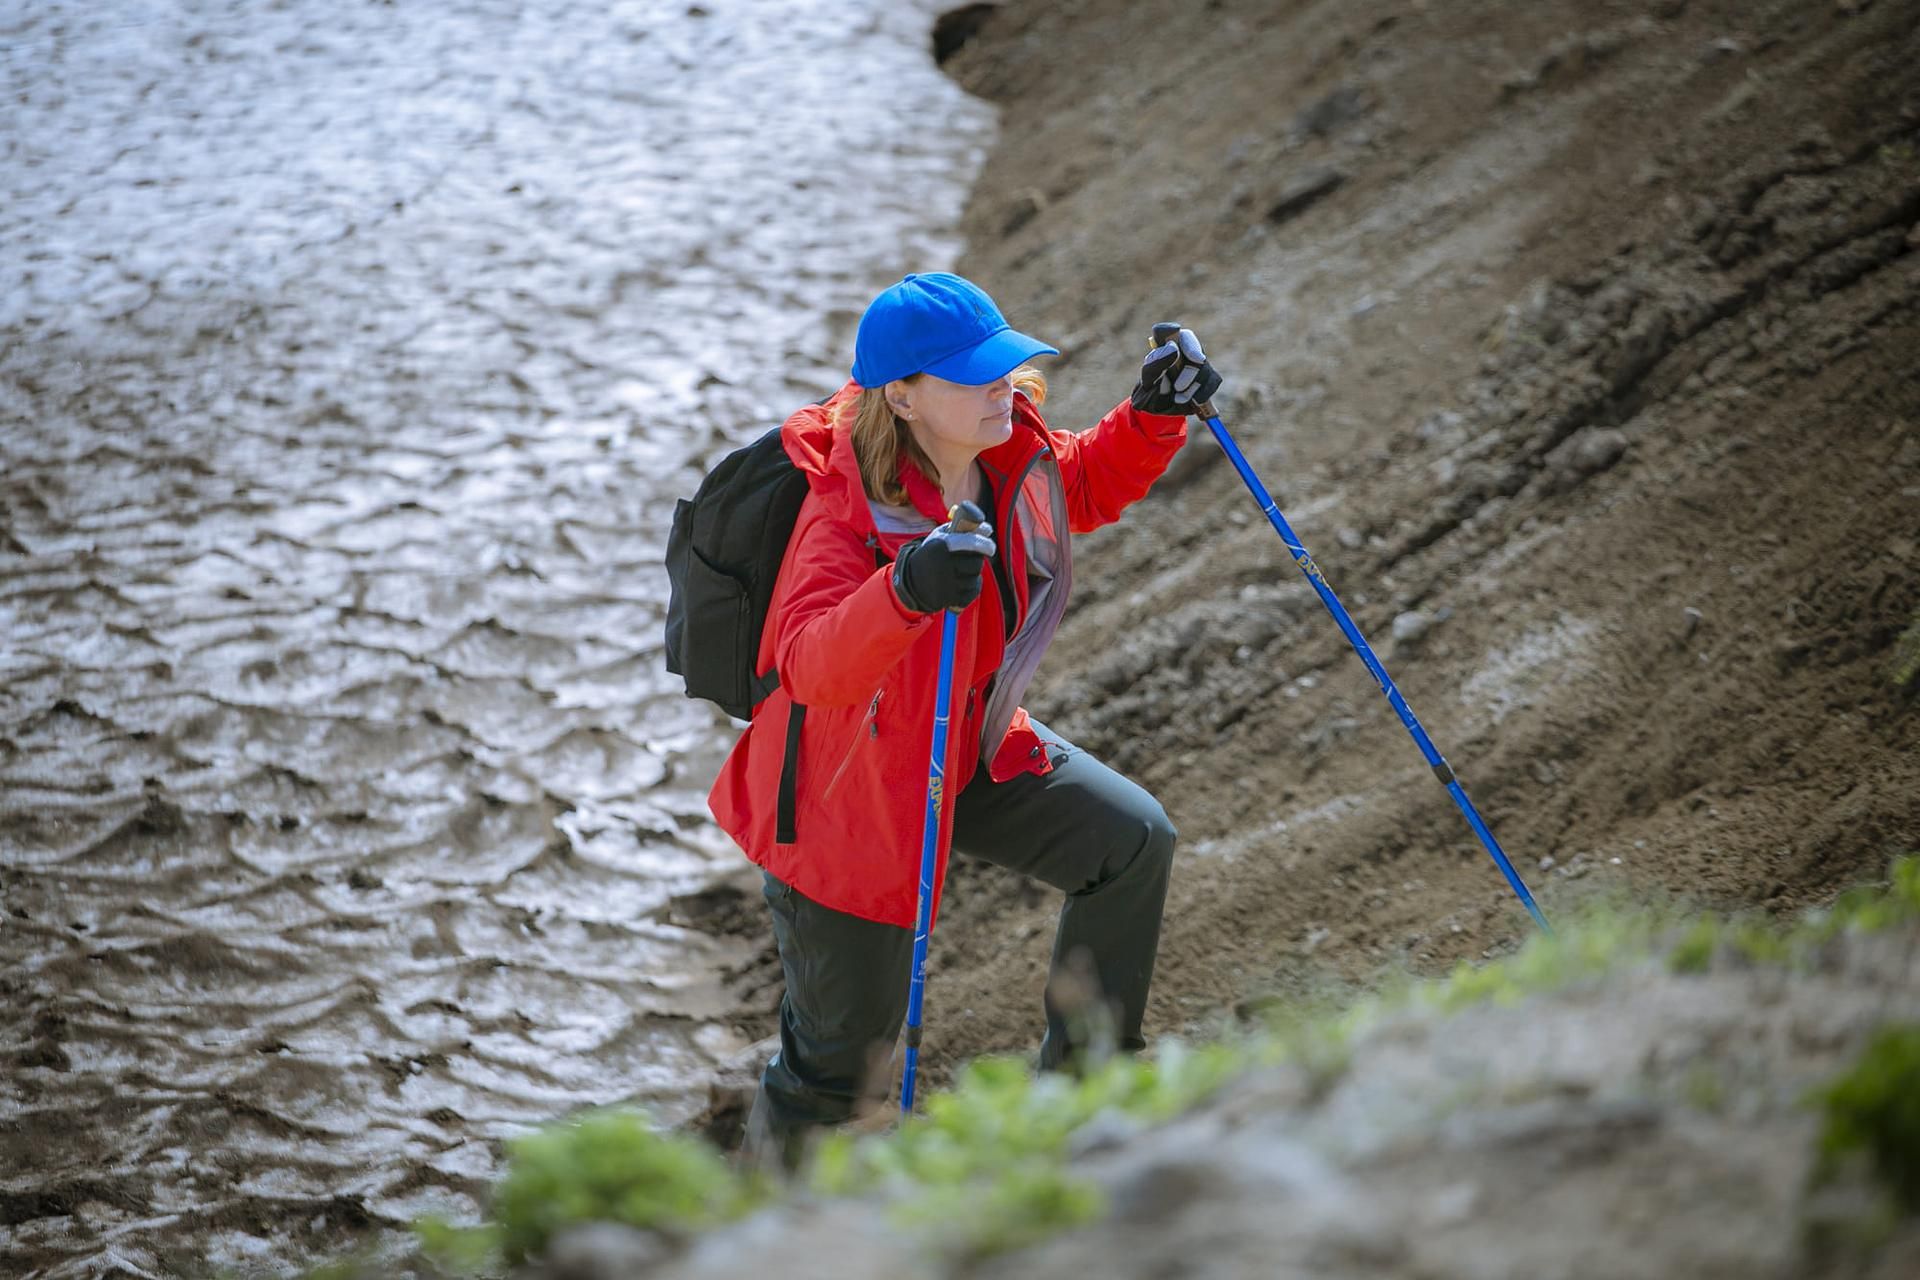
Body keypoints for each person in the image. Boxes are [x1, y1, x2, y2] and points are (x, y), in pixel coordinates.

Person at [706, 271, 1224, 1169]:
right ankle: (748, 1241)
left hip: (966, 746)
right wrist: (904, 589)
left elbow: (1081, 487)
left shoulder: (1005, 450)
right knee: (835, 1078)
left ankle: (1081, 1107)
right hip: (847, 803)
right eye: (972, 372)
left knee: (1129, 841)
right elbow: (810, 663)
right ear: (901, 397)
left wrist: (1149, 415)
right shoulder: (840, 508)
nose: (1001, 383)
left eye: (1003, 363)